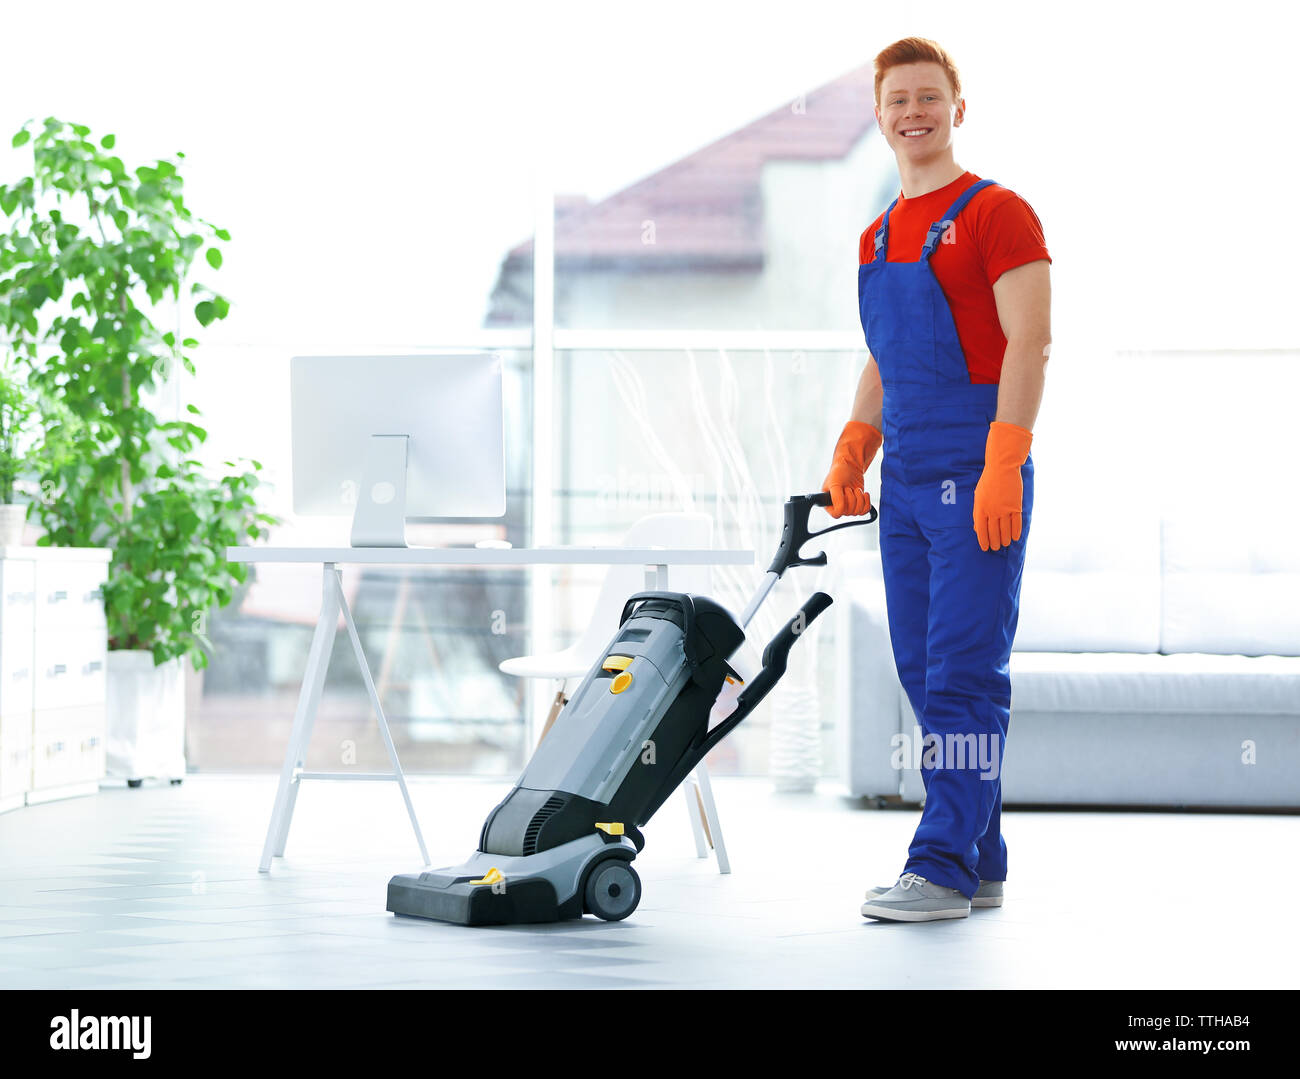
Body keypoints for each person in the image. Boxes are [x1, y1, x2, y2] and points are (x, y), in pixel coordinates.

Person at [822, 37, 1052, 922]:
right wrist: (854, 448)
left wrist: (1005, 459)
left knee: (962, 674)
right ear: (880, 117)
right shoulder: (877, 236)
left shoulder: (1001, 214)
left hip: (977, 473)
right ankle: (983, 852)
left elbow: (1029, 342)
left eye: (929, 97)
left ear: (959, 106)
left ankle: (943, 864)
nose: (912, 112)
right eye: (896, 100)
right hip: (909, 480)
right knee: (921, 671)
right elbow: (884, 359)